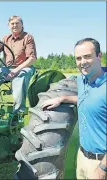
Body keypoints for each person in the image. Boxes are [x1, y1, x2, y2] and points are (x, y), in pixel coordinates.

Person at [41, 38, 106, 179]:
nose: (82, 62)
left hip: (101, 161)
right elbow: (90, 101)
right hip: (82, 156)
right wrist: (63, 98)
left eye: (87, 56)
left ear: (99, 56)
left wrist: (102, 168)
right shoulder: (83, 80)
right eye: (78, 58)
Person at [0, 15, 37, 114]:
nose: (15, 25)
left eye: (17, 23)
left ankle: (18, 114)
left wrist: (15, 70)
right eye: (12, 24)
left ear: (22, 25)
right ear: (9, 26)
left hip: (25, 67)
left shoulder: (27, 37)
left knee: (20, 77)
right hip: (8, 68)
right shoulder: (6, 38)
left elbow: (32, 59)